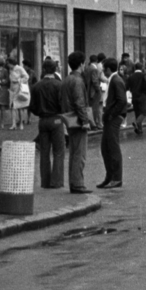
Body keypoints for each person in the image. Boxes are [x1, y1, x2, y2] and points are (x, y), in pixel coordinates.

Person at [29, 57, 66, 189]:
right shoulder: (59, 85)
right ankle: (56, 181)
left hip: (42, 120)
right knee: (58, 151)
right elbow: (63, 104)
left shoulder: (36, 86)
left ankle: (45, 181)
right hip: (56, 118)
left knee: (44, 152)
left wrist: (40, 112)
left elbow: (32, 107)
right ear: (55, 70)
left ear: (43, 69)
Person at [63, 51, 93, 192]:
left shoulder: (67, 79)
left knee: (74, 152)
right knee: (80, 154)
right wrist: (85, 120)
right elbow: (79, 102)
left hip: (69, 118)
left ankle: (74, 182)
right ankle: (78, 183)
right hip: (78, 120)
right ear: (81, 64)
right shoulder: (78, 80)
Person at [99, 61, 127, 189]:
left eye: (104, 69)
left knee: (113, 147)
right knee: (105, 148)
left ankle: (116, 178)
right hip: (110, 117)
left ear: (109, 69)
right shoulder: (113, 80)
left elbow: (122, 101)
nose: (103, 71)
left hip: (114, 118)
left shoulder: (116, 80)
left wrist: (112, 115)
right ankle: (110, 176)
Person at [127, 60, 146, 136]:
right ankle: (137, 123)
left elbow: (127, 86)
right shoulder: (143, 76)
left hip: (134, 96)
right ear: (142, 67)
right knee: (143, 112)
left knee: (137, 112)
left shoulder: (131, 76)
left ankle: (140, 129)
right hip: (142, 95)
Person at [9, 54, 31, 129]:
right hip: (13, 89)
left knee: (19, 107)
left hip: (19, 89)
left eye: (9, 64)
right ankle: (14, 124)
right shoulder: (11, 70)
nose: (8, 66)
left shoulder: (19, 68)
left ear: (12, 63)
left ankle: (21, 123)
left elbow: (26, 76)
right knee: (13, 106)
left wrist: (19, 81)